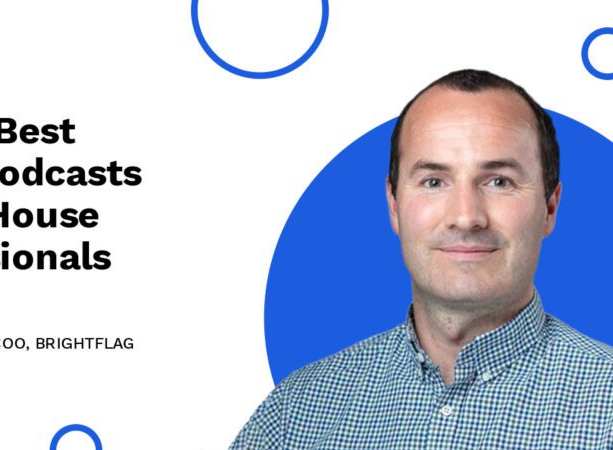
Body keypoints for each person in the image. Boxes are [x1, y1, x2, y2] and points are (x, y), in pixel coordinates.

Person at [230, 69, 613, 449]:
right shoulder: (294, 415)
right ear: (394, 206)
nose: (466, 216)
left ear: (549, 207)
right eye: (433, 181)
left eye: (499, 181)